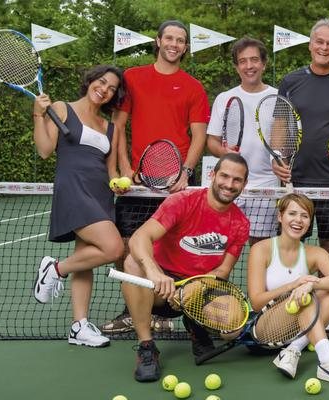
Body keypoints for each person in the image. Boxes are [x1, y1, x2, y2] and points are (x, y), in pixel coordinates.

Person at [101, 20, 210, 334]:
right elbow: (118, 127)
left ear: (185, 47)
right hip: (137, 186)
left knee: (167, 251)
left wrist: (186, 173)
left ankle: (160, 313)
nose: (175, 44)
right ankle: (132, 311)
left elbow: (198, 136)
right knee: (124, 249)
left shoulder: (193, 87)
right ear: (158, 41)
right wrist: (124, 169)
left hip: (174, 187)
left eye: (181, 40)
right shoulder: (133, 78)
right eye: (170, 38)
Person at [121, 153, 250, 382]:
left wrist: (195, 288)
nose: (229, 185)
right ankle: (146, 346)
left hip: (201, 287)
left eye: (237, 180)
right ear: (212, 175)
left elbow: (223, 271)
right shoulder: (182, 201)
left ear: (244, 184)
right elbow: (139, 238)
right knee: (132, 263)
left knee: (233, 327)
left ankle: (195, 324)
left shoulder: (240, 223)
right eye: (225, 176)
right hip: (163, 288)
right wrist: (153, 272)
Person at [32, 65, 126, 348]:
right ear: (89, 81)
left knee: (86, 257)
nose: (105, 89)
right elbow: (45, 150)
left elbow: (111, 170)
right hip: (73, 188)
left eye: (111, 88)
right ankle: (55, 269)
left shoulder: (110, 127)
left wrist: (118, 183)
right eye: (101, 82)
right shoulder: (61, 108)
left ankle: (79, 326)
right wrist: (38, 113)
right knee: (113, 248)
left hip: (100, 194)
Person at [271, 18, 329, 266]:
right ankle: (292, 293)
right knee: (293, 240)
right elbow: (280, 125)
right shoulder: (290, 82)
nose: (324, 48)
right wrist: (277, 158)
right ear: (310, 44)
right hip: (296, 177)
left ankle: (326, 296)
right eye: (319, 42)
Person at [247, 193, 329, 387]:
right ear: (280, 216)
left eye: (304, 216)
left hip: (296, 330)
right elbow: (257, 302)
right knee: (304, 297)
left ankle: (293, 350)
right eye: (292, 213)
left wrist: (311, 284)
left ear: (309, 222)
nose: (298, 220)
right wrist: (294, 285)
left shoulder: (315, 253)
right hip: (266, 330)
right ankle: (328, 361)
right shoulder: (261, 249)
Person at [206, 37, 278, 246]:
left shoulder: (278, 97)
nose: (249, 66)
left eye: (254, 60)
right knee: (217, 248)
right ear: (236, 67)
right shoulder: (223, 98)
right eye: (243, 61)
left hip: (266, 187)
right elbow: (212, 142)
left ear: (264, 64)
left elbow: (283, 144)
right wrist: (224, 152)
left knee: (261, 251)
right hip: (228, 185)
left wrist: (280, 161)